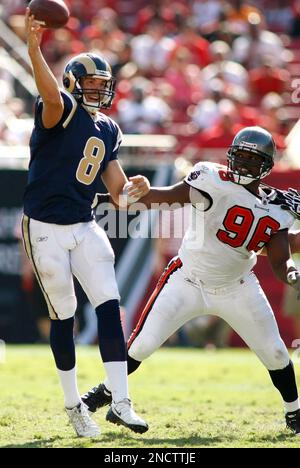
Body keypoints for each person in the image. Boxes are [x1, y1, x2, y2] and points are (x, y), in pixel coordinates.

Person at [82, 126, 300, 435]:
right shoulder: (211, 178)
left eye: (253, 161)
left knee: (275, 352)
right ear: (230, 157)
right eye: (241, 158)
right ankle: (107, 392)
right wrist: (128, 196)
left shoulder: (277, 207)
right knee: (141, 345)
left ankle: (295, 412)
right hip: (188, 277)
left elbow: (280, 258)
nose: (244, 167)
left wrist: (292, 276)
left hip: (236, 285)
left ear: (266, 166)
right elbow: (169, 196)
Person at [22, 10, 150, 438]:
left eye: (103, 85)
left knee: (110, 305)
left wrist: (136, 186)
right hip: (44, 225)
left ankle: (122, 401)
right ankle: (74, 405)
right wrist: (34, 49)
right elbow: (53, 97)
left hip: (84, 223)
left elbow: (118, 192)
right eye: (92, 84)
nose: (99, 91)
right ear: (76, 83)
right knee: (65, 314)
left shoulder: (109, 128)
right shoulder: (61, 106)